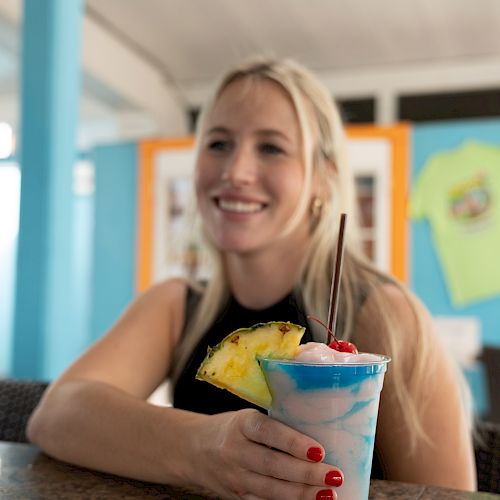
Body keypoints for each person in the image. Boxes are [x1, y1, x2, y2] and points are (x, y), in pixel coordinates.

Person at [27, 57, 477, 499]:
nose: (235, 171)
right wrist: (201, 447)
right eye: (219, 143)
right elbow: (56, 414)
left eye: (271, 147)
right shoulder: (177, 304)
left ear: (324, 178)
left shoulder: (386, 314)